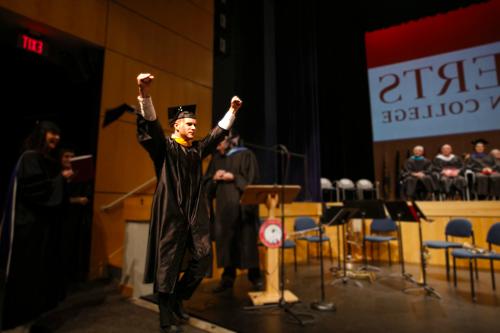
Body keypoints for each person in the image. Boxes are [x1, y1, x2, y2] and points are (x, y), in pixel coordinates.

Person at [135, 73, 242, 333]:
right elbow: (151, 127)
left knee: (203, 258)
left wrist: (231, 111)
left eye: (195, 124)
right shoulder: (165, 149)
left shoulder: (196, 151)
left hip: (195, 213)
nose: (194, 127)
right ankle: (165, 316)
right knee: (168, 263)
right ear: (176, 126)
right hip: (171, 213)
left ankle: (177, 298)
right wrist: (144, 93)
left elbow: (216, 135)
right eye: (189, 124)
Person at [0, 121, 73, 331]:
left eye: (58, 134)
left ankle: (29, 319)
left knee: (36, 276)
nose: (56, 138)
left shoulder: (42, 159)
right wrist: (61, 179)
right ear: (42, 134)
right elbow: (36, 190)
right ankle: (16, 322)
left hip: (37, 227)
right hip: (26, 229)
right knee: (24, 276)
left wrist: (62, 180)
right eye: (52, 133)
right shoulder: (30, 157)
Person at [204, 131, 263, 293]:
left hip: (243, 208)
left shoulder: (246, 155)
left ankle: (255, 277)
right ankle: (227, 278)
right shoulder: (216, 160)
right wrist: (214, 178)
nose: (216, 147)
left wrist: (234, 177)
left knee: (247, 242)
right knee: (227, 242)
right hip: (224, 210)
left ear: (228, 141)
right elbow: (206, 185)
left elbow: (253, 181)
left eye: (219, 143)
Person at [60, 146, 93, 289]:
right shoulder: (55, 174)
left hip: (76, 218)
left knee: (74, 246)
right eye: (66, 156)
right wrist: (75, 200)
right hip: (60, 218)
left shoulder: (79, 177)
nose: (69, 160)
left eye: (71, 157)